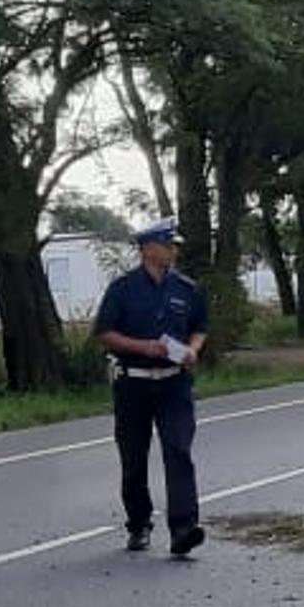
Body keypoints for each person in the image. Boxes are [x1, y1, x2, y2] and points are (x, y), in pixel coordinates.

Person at [92, 218, 208, 557]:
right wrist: (143, 347)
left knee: (179, 451)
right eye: (168, 244)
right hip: (134, 384)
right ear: (147, 249)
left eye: (174, 245)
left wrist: (193, 350)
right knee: (133, 458)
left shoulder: (186, 288)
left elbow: (199, 326)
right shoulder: (122, 289)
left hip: (174, 384)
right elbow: (104, 332)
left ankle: (184, 529)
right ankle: (139, 523)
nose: (174, 250)